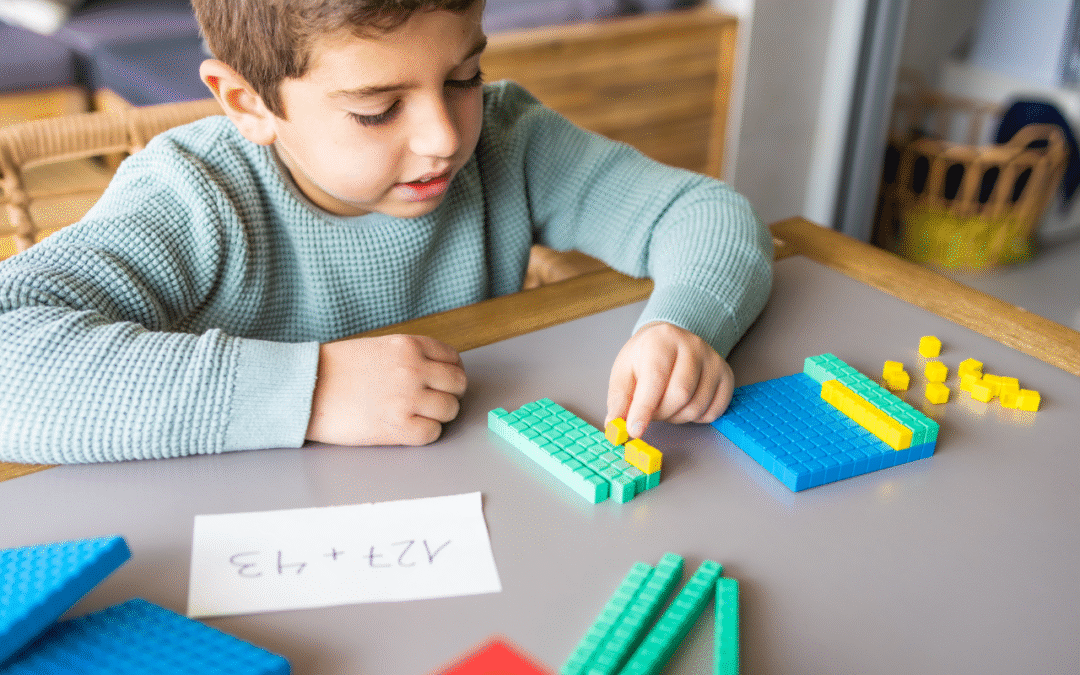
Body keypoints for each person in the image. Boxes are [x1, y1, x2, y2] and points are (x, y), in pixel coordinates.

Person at [0, 0, 772, 464]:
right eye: (377, 108)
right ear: (246, 103)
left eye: (463, 77)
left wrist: (684, 322)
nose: (443, 135)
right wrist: (310, 392)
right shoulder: (194, 197)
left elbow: (705, 214)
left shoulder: (508, 139)